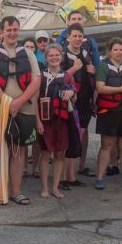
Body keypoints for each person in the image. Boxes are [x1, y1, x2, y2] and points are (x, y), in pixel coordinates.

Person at [0, 15, 42, 205]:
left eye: (15, 29)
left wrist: (19, 102)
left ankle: (16, 191)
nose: (12, 33)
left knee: (19, 150)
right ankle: (0, 190)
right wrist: (7, 102)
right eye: (8, 30)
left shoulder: (28, 53)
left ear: (19, 30)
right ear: (2, 31)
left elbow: (37, 80)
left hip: (24, 108)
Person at [93, 38, 122, 191]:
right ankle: (100, 177)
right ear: (110, 51)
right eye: (115, 49)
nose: (118, 52)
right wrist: (121, 90)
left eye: (121, 49)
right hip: (108, 112)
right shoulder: (103, 66)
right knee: (106, 145)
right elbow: (100, 88)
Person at [59, 24, 96, 187]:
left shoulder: (85, 54)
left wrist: (93, 72)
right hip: (68, 101)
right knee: (66, 140)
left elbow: (92, 76)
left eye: (80, 36)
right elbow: (58, 77)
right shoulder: (62, 55)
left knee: (77, 139)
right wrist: (74, 69)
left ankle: (72, 177)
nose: (78, 39)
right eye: (74, 36)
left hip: (84, 101)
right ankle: (62, 178)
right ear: (68, 37)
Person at [37, 45, 75, 200]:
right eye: (51, 55)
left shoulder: (67, 76)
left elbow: (75, 98)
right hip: (45, 121)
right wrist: (37, 121)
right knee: (45, 154)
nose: (54, 58)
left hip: (62, 120)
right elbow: (34, 100)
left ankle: (55, 187)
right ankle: (45, 187)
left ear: (61, 56)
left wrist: (71, 93)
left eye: (57, 55)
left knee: (60, 154)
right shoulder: (40, 76)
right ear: (46, 58)